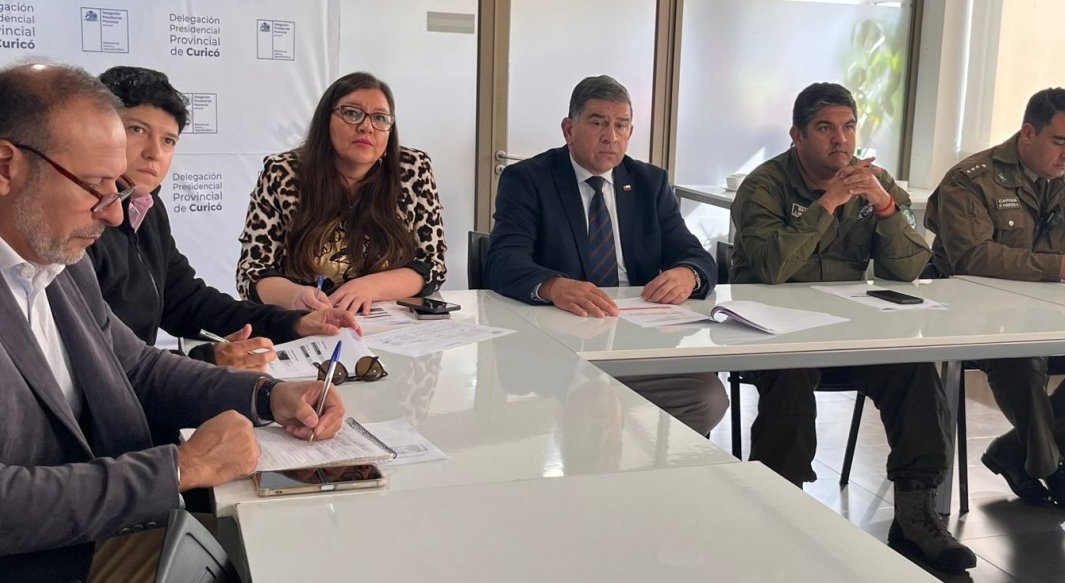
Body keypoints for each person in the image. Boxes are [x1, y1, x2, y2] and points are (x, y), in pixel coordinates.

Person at [0, 63, 346, 583]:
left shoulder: (51, 251)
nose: (114, 213)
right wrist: (179, 468)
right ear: (5, 166)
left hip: (84, 541)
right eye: (97, 188)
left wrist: (265, 395)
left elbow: (135, 368)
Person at [729, 82, 974, 573]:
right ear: (797, 135)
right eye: (824, 128)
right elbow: (773, 270)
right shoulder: (764, 186)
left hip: (849, 330)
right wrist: (828, 203)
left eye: (848, 127)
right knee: (790, 377)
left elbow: (910, 269)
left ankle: (916, 512)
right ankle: (781, 506)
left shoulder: (873, 182)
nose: (840, 140)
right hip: (773, 332)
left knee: (914, 369)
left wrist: (885, 206)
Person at [925, 87, 1065, 514]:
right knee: (1022, 356)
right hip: (978, 317)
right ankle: (1050, 466)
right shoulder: (971, 179)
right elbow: (970, 257)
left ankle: (1014, 452)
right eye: (1060, 141)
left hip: (1059, 318)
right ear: (1028, 132)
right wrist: (1058, 266)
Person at [484, 74, 727, 436]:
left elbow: (695, 255)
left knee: (708, 398)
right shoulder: (529, 180)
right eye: (598, 123)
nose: (610, 136)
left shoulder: (649, 183)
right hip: (558, 345)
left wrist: (688, 274)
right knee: (568, 415)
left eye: (621, 125)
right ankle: (594, 442)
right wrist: (552, 286)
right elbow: (503, 261)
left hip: (636, 343)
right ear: (569, 129)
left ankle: (624, 449)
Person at [89, 66, 359, 371]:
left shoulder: (147, 209)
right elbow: (96, 364)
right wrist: (207, 361)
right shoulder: (80, 225)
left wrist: (294, 323)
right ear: (100, 130)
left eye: (168, 141)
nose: (155, 152)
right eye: (138, 130)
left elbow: (189, 303)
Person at [237, 71, 447, 315]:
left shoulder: (412, 169)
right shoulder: (283, 172)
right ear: (326, 120)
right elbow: (252, 272)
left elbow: (433, 265)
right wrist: (294, 297)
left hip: (390, 322)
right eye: (352, 113)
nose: (366, 127)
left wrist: (371, 287)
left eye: (380, 118)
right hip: (308, 319)